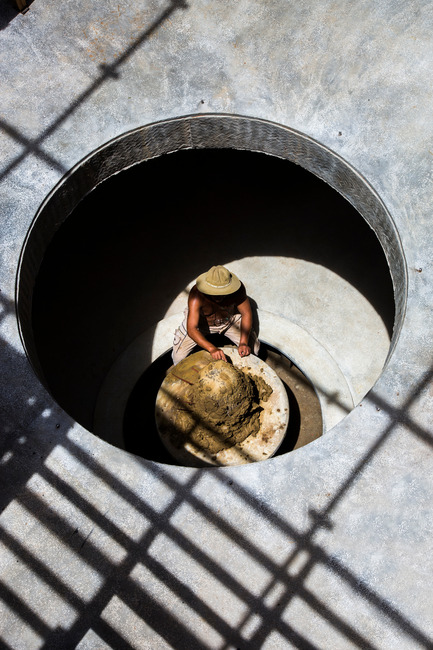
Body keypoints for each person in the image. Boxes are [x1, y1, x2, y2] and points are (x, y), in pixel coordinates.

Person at [172, 265, 260, 364]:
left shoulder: (238, 290)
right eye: (214, 293)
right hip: (202, 325)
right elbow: (192, 329)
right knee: (178, 358)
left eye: (223, 292)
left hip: (229, 321)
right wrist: (212, 348)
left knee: (253, 350)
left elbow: (246, 313)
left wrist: (243, 342)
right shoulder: (196, 295)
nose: (219, 297)